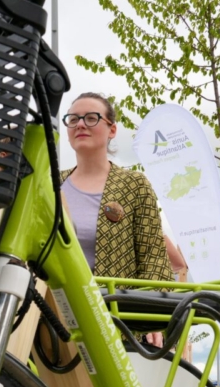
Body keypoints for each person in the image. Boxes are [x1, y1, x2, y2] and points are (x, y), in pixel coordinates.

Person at [59, 92, 174, 284]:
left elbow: (154, 263)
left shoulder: (134, 185)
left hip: (113, 309)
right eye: (73, 119)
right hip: (50, 307)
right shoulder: (51, 184)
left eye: (91, 118)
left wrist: (133, 308)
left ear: (112, 130)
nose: (80, 124)